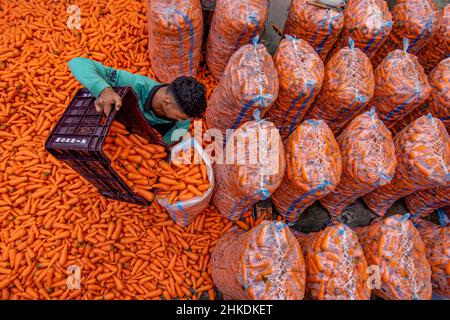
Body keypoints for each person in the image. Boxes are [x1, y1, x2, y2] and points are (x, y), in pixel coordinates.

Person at [68, 57, 207, 145]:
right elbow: (77, 63)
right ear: (167, 101)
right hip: (115, 123)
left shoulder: (183, 114)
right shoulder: (134, 84)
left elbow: (181, 127)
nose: (185, 120)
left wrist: (161, 145)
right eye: (180, 116)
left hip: (138, 137)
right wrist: (104, 90)